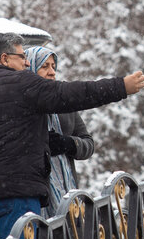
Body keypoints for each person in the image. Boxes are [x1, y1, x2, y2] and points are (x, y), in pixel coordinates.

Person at [0, 32, 144, 239]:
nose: (26, 62)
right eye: (21, 57)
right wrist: (121, 86)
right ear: (4, 59)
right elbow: (72, 94)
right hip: (16, 191)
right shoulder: (22, 83)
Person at [24, 44, 94, 212]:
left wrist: (69, 144)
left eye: (54, 67)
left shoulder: (64, 104)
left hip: (68, 195)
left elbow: (88, 144)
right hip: (36, 199)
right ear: (31, 68)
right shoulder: (22, 105)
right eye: (45, 66)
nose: (52, 72)